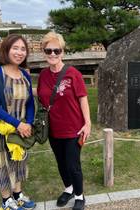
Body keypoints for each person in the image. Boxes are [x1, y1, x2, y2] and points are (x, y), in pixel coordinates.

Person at [37, 32, 91, 210]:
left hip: (73, 128)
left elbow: (83, 98)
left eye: (56, 50)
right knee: (60, 162)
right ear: (43, 52)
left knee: (73, 164)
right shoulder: (43, 75)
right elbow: (42, 100)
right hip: (53, 129)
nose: (52, 54)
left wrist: (87, 123)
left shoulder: (72, 73)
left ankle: (79, 195)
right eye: (48, 50)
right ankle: (68, 189)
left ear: (62, 52)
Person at [0, 34, 36, 210]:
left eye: (23, 49)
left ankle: (18, 194)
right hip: (1, 130)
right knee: (2, 164)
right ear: (6, 49)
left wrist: (27, 123)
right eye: (15, 48)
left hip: (20, 130)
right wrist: (17, 124)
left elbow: (29, 103)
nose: (19, 52)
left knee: (18, 161)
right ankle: (6, 200)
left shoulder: (25, 75)